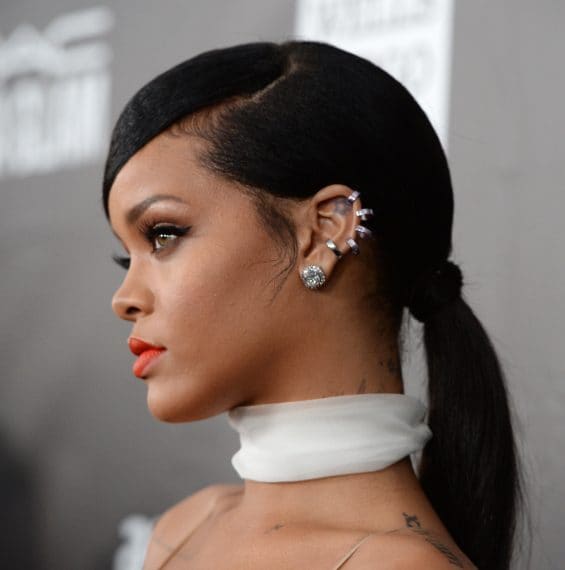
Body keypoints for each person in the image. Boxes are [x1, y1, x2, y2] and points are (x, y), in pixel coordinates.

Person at [103, 40, 522, 569]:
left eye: (164, 235)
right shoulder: (180, 530)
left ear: (327, 231)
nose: (124, 300)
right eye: (127, 258)